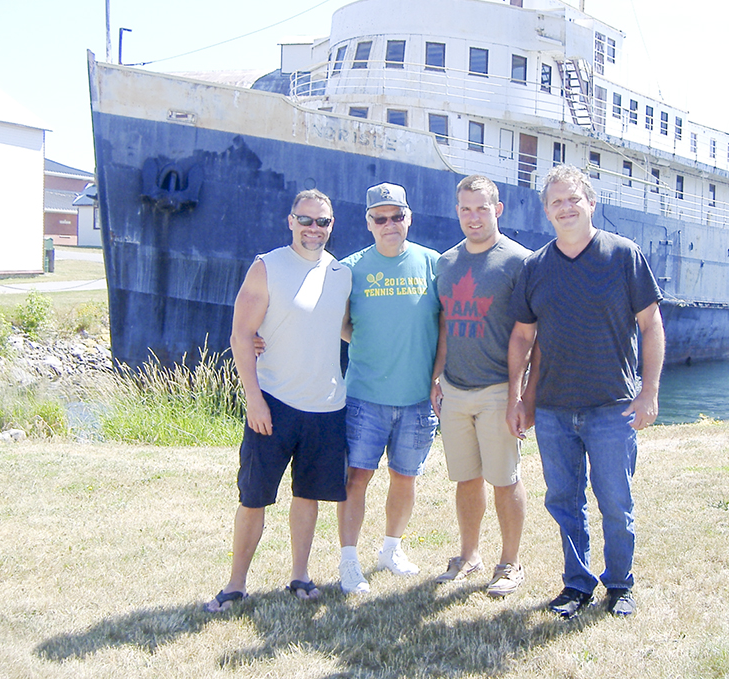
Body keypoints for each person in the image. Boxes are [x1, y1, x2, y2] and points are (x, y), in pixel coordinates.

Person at [507, 164, 665, 619]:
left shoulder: (623, 255)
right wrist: (519, 398)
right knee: (564, 501)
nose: (565, 207)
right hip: (554, 409)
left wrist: (648, 390)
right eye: (556, 201)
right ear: (546, 212)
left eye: (573, 198)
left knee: (615, 500)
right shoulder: (536, 267)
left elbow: (651, 323)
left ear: (591, 203)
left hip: (611, 406)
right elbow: (522, 335)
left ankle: (619, 585)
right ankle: (577, 585)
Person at [206, 189, 351, 612]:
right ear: (290, 221)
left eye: (322, 222)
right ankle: (235, 584)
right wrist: (254, 399)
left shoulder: (340, 272)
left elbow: (342, 328)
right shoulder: (266, 267)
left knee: (308, 496)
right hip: (274, 403)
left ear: (331, 225)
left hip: (326, 407)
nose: (314, 229)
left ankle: (300, 576)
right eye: (305, 220)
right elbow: (240, 335)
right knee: (253, 498)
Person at [337, 182, 442, 594]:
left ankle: (390, 550)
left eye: (396, 216)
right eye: (380, 218)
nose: (389, 224)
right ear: (368, 222)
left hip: (418, 400)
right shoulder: (350, 269)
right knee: (356, 478)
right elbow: (338, 323)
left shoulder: (432, 264)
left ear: (409, 217)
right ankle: (349, 561)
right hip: (365, 397)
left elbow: (449, 322)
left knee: (405, 477)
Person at [430, 175, 531, 598]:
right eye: (466, 209)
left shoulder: (520, 262)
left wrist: (519, 396)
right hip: (455, 388)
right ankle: (468, 555)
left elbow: (530, 335)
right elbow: (446, 325)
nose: (473, 217)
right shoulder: (447, 263)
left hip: (496, 390)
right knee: (466, 478)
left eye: (482, 208)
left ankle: (510, 563)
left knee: (504, 478)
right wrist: (436, 377)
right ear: (457, 211)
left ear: (498, 209)